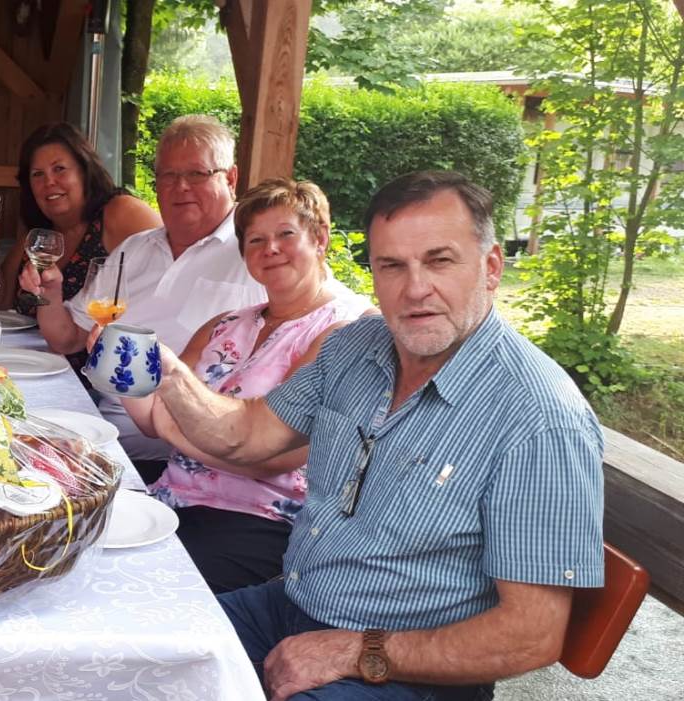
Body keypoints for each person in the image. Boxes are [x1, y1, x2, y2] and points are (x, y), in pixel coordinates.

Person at [148, 171, 604, 700]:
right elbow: (245, 435)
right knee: (141, 646)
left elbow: (533, 635)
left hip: (412, 668)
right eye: (392, 266)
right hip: (292, 607)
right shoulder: (355, 347)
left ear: (491, 267)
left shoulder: (539, 417)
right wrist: (167, 371)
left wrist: (356, 650)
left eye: (439, 260)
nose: (414, 289)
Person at [120, 178, 372, 594]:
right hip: (174, 496)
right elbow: (151, 417)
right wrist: (121, 368)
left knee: (144, 590)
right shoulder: (224, 325)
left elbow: (271, 458)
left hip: (258, 519)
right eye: (255, 240)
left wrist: (173, 424)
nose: (269, 249)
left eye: (285, 234)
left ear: (320, 238)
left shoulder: (343, 332)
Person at [21, 114, 266, 462]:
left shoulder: (257, 252)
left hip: (183, 457)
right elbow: (69, 338)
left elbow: (322, 306)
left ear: (231, 178)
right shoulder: (134, 249)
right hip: (100, 434)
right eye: (168, 175)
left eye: (196, 173)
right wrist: (49, 293)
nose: (180, 186)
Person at [0, 122, 161, 324]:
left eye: (59, 169)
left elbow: (174, 264)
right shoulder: (37, 238)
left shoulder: (120, 212)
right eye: (38, 174)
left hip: (106, 352)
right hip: (34, 354)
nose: (49, 182)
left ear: (84, 171)